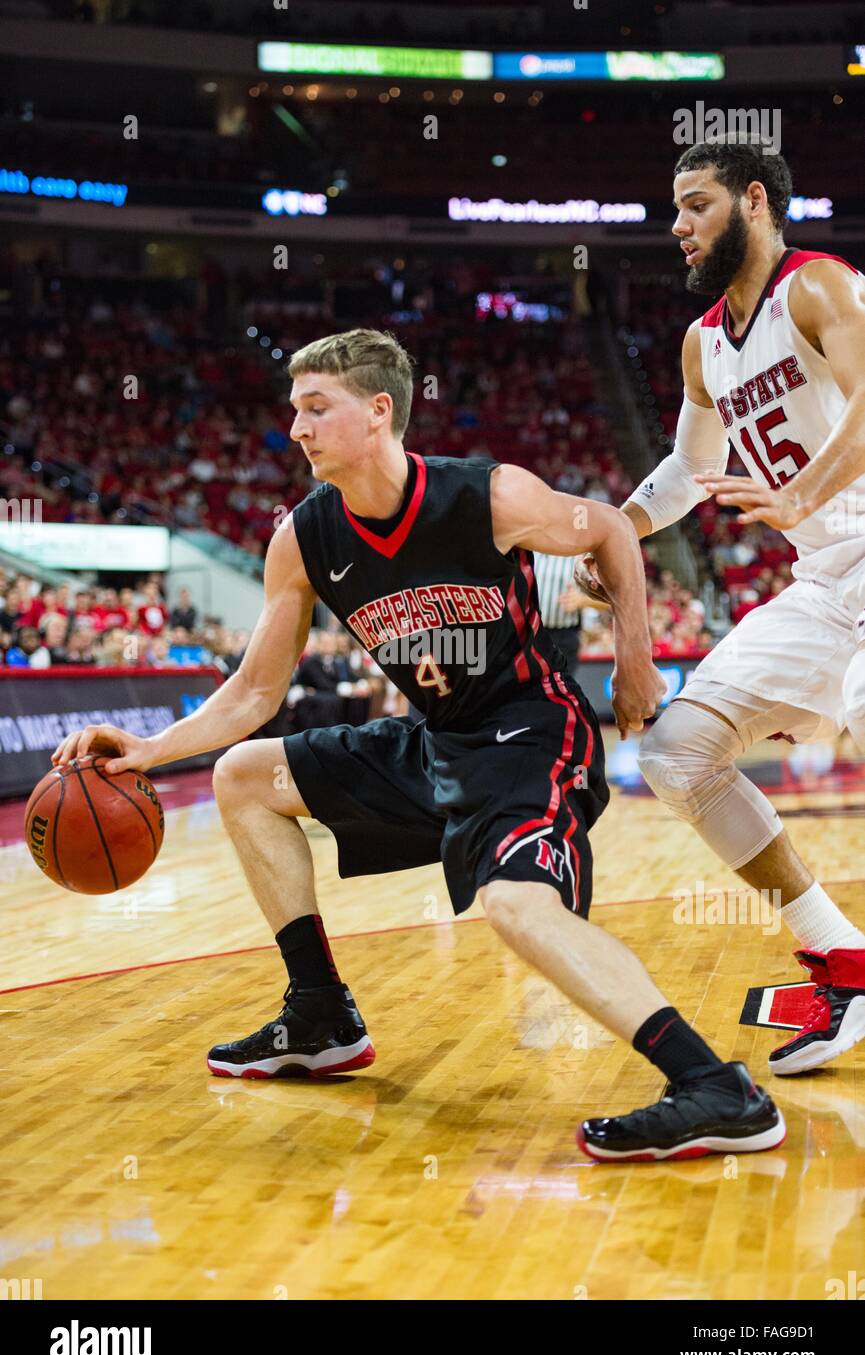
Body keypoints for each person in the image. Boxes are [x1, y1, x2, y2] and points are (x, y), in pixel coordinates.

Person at [52, 328, 784, 1162]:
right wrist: (147, 749)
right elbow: (257, 691)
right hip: (438, 742)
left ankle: (714, 1087)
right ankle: (320, 1014)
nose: (296, 429)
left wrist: (635, 662)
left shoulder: (488, 495)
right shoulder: (302, 538)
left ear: (379, 412)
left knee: (514, 906)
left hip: (530, 731)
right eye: (294, 411)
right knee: (244, 775)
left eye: (315, 408)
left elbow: (611, 530)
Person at [575, 136, 865, 1076]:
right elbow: (689, 473)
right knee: (674, 753)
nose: (677, 226)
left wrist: (801, 494)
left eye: (695, 205)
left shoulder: (819, 285)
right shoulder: (703, 343)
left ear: (752, 201)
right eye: (673, 209)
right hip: (825, 580)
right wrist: (614, 529)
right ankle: (845, 964)